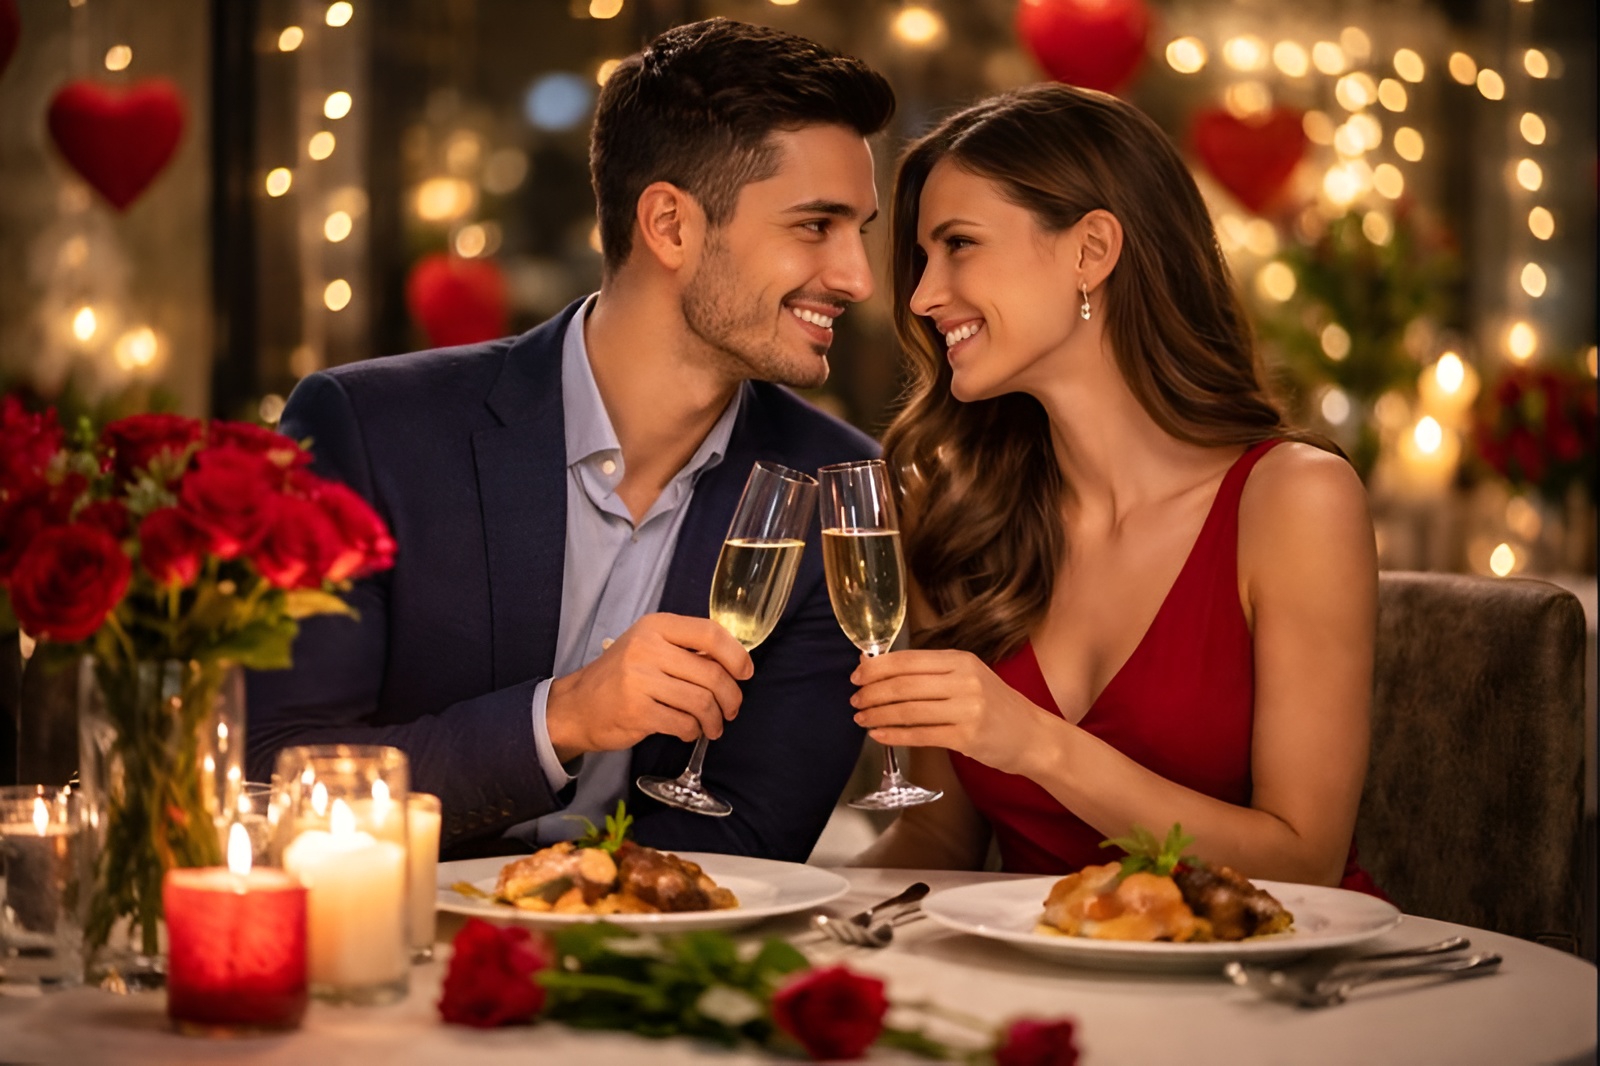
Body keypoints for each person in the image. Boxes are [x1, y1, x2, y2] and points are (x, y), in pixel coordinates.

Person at [246, 18, 893, 863]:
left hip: (659, 964)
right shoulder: (369, 431)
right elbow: (272, 776)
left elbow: (752, 833)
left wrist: (575, 916)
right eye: (816, 226)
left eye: (861, 231)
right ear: (668, 225)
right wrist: (563, 718)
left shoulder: (835, 482)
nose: (857, 277)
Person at [853, 84, 1380, 890]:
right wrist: (789, 907)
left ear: (1092, 250)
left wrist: (1036, 744)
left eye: (959, 245)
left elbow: (1302, 860)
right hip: (1040, 991)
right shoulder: (955, 511)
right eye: (924, 259)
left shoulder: (1294, 501)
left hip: (1270, 988)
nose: (923, 296)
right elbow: (936, 836)